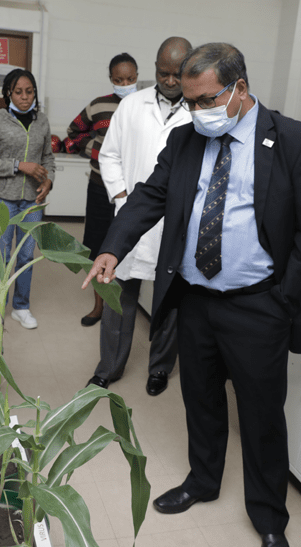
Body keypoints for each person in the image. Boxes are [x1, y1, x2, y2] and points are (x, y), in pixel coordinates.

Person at [83, 42, 301, 547]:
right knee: (200, 401)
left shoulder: (294, 141)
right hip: (195, 298)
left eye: (205, 100)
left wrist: (285, 297)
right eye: (190, 100)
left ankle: (268, 518)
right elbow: (150, 195)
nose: (196, 111)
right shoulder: (185, 140)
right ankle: (202, 481)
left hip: (258, 304)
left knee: (262, 416)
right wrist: (113, 247)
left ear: (239, 89)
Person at [85, 37, 193, 397]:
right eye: (164, 73)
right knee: (119, 299)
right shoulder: (131, 105)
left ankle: (160, 369)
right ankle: (108, 368)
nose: (171, 81)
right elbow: (109, 155)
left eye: (178, 74)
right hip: (132, 216)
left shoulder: (200, 111)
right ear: (155, 69)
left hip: (177, 225)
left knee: (169, 302)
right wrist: (121, 196)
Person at [0, 69, 55, 330]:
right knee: (1, 255)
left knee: (26, 255)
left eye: (29, 91)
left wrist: (48, 181)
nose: (24, 97)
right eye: (18, 92)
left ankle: (21, 307)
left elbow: (47, 159)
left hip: (32, 200)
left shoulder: (41, 121)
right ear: (8, 93)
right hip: (3, 198)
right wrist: (19, 166)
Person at [64, 52, 139, 327]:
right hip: (99, 188)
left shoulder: (144, 106)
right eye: (119, 79)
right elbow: (74, 133)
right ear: (111, 79)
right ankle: (98, 307)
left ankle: (120, 305)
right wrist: (96, 151)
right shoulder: (98, 106)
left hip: (132, 192)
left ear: (137, 76)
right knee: (98, 246)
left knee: (127, 247)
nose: (125, 83)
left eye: (130, 78)